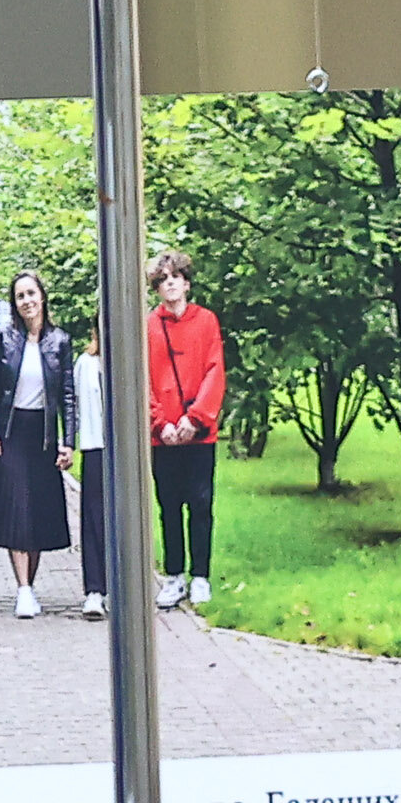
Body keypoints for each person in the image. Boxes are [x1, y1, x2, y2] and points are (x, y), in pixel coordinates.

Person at [0, 266, 75, 620]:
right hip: (13, 430)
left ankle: (30, 585)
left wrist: (68, 441)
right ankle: (22, 589)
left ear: (42, 296)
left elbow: (67, 394)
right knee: (16, 508)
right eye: (20, 296)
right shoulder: (3, 339)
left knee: (38, 511)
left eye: (31, 294)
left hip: (44, 434)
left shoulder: (60, 341)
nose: (26, 301)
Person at [143, 246, 225, 612]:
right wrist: (160, 423)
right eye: (163, 280)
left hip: (198, 432)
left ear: (187, 283)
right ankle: (174, 575)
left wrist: (194, 419)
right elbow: (142, 378)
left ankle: (201, 576)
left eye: (175, 277)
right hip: (163, 436)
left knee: (202, 503)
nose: (170, 285)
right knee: (169, 505)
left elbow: (214, 370)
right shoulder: (148, 326)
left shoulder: (207, 321)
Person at [71, 308, 112, 622]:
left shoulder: (131, 360)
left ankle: (123, 585)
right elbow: (77, 407)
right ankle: (95, 588)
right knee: (94, 517)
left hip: (125, 450)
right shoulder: (85, 364)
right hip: (96, 446)